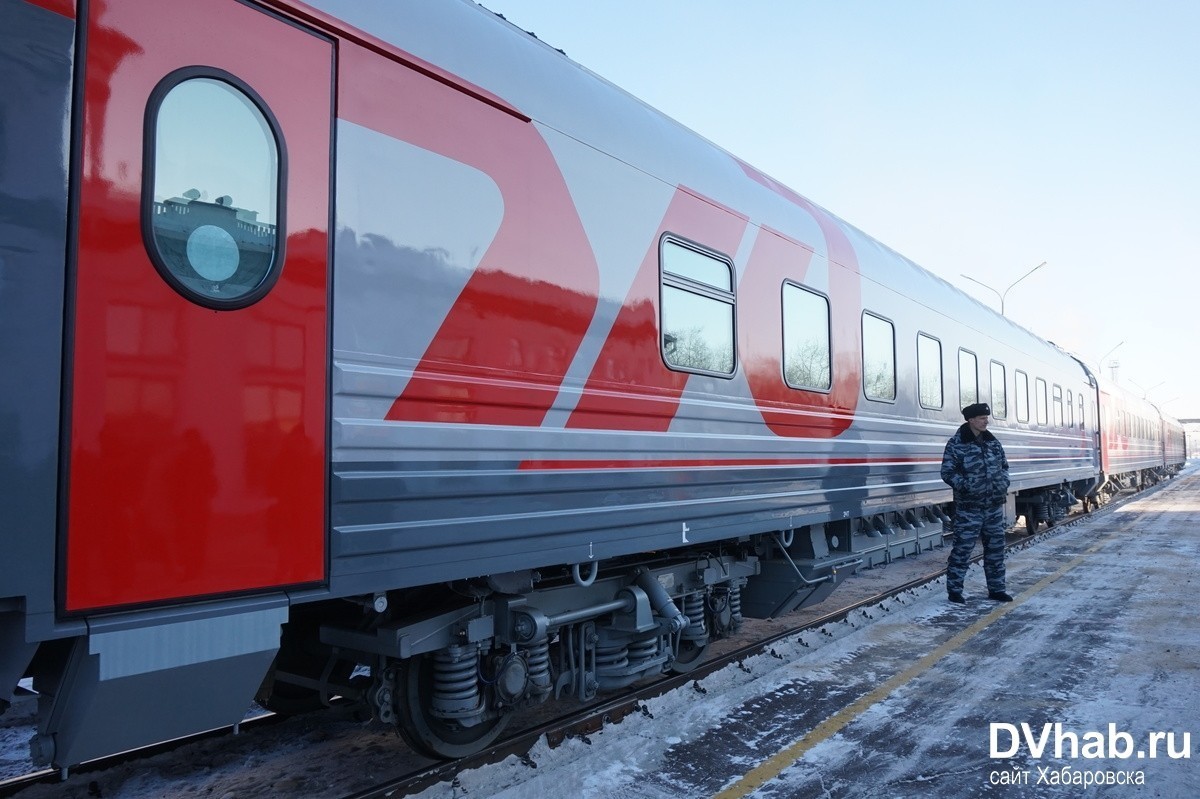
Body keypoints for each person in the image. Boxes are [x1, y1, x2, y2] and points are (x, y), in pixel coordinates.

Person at [940, 402, 1013, 604]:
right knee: (962, 551)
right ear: (971, 420)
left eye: (986, 418)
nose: (985, 421)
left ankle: (997, 589)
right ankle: (954, 591)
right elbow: (947, 472)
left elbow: (1004, 467)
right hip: (968, 508)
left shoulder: (993, 443)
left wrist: (1003, 482)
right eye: (982, 418)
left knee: (996, 551)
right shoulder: (956, 444)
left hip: (993, 507)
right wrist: (966, 486)